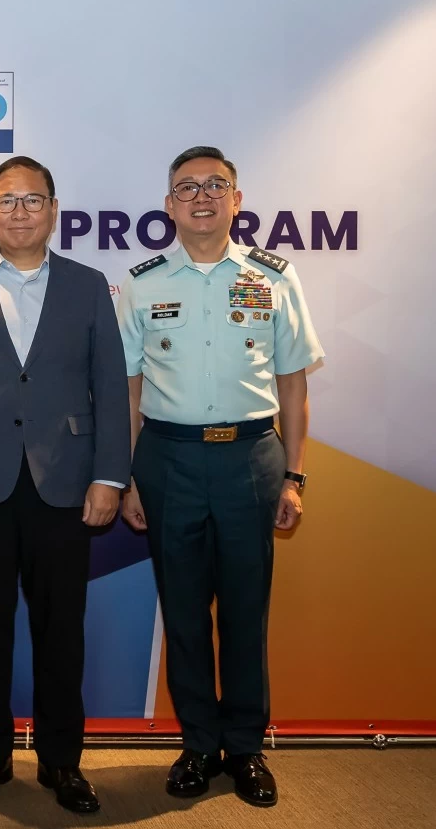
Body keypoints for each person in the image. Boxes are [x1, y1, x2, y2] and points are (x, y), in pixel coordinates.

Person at [0, 156, 130, 814]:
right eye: (5, 201)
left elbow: (112, 389)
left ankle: (62, 761)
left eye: (32, 200)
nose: (18, 211)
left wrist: (109, 475)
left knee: (62, 630)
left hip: (66, 483)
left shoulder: (89, 285)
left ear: (53, 210)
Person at [117, 145, 324, 808]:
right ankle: (198, 745)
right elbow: (128, 389)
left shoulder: (274, 278)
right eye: (187, 187)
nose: (201, 196)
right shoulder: (143, 282)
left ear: (237, 199)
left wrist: (295, 474)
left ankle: (245, 746)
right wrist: (127, 479)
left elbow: (292, 384)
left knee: (243, 608)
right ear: (170, 204)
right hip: (168, 459)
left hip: (249, 458)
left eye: (215, 185)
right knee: (182, 611)